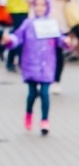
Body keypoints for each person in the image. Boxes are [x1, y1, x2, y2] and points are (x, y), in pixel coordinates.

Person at [2, 0, 71, 135]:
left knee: (45, 93)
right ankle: (29, 112)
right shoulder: (28, 23)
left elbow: (59, 39)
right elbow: (17, 37)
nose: (40, 8)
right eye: (37, 5)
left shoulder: (52, 24)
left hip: (47, 65)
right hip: (31, 64)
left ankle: (45, 120)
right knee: (32, 94)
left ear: (47, 7)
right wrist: (9, 40)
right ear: (33, 7)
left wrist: (66, 41)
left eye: (43, 5)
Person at [4, 0, 29, 72]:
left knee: (17, 36)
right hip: (17, 10)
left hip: (23, 9)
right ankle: (17, 62)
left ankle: (11, 62)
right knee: (19, 36)